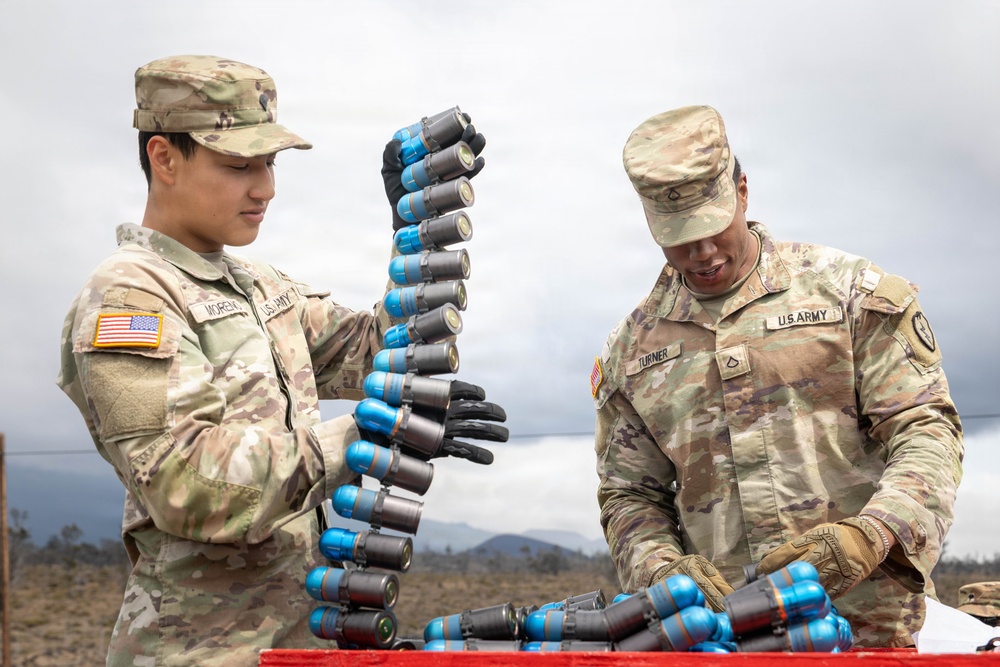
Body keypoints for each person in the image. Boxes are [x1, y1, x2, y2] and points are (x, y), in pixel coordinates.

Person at [56, 55, 496, 665]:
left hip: (300, 642)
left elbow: (381, 353)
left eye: (268, 163)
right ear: (164, 158)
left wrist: (416, 236)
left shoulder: (261, 288)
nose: (264, 187)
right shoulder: (131, 298)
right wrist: (368, 433)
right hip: (199, 652)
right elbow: (185, 482)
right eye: (239, 165)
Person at [593, 105, 963, 647]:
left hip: (868, 635)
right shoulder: (632, 352)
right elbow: (629, 495)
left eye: (712, 225)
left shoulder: (848, 295)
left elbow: (926, 431)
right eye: (677, 234)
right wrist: (662, 572)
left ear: (742, 191)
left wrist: (871, 534)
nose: (701, 250)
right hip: (721, 641)